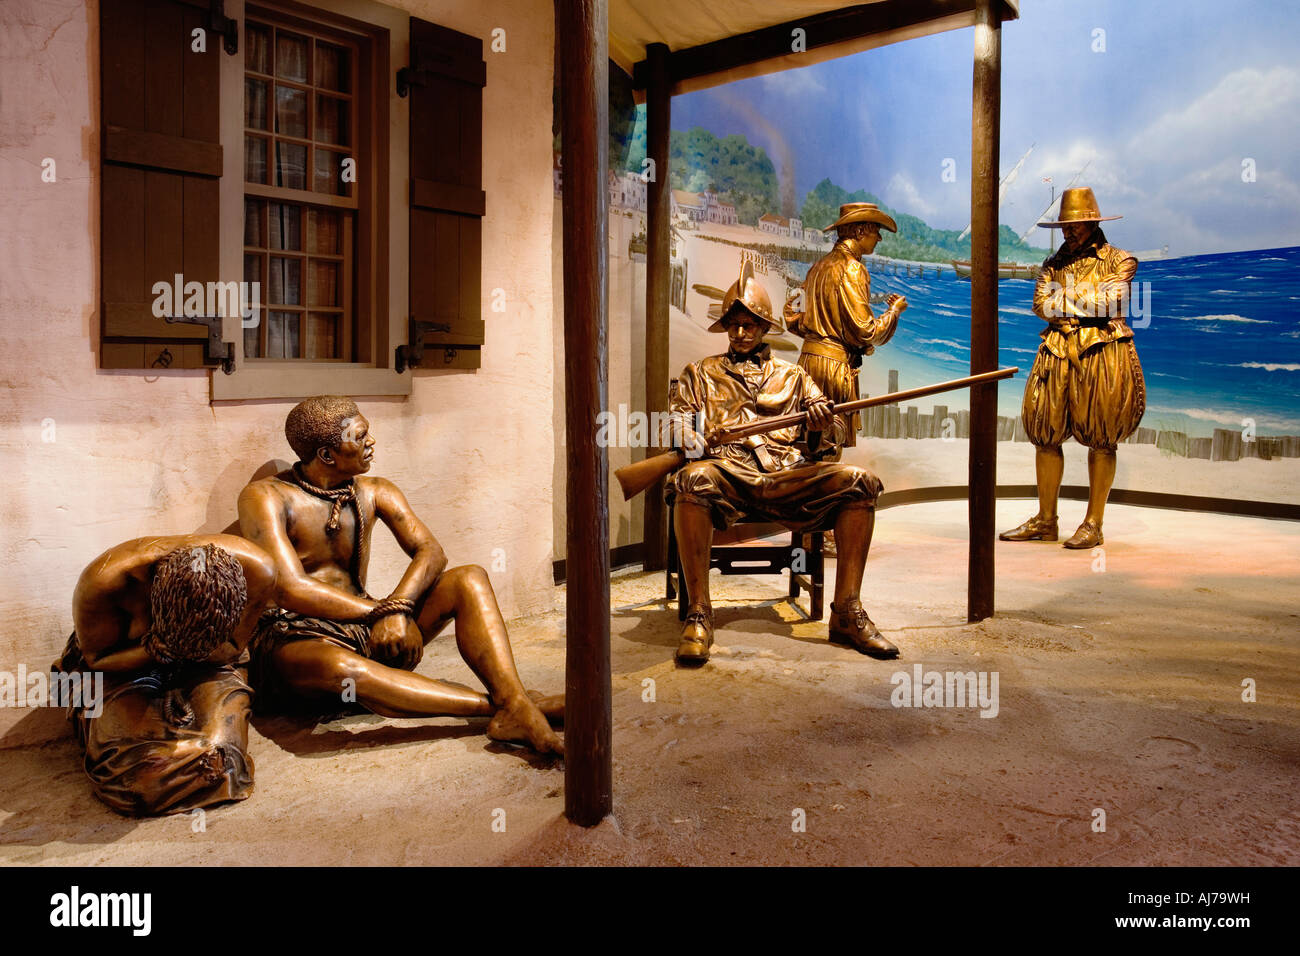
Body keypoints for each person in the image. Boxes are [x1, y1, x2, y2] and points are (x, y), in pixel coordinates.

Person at [237, 396, 563, 755]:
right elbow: (290, 588)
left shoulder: (376, 490)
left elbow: (431, 551)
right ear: (328, 455)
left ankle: (511, 698)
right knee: (340, 666)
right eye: (360, 437)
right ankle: (508, 707)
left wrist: (398, 608)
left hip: (370, 627)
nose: (371, 442)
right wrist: (381, 612)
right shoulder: (266, 496)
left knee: (469, 578)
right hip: (298, 639)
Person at [665, 261, 897, 665]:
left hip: (787, 476)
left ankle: (846, 612)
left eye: (749, 324)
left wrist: (820, 426)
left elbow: (833, 434)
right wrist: (697, 438)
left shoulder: (795, 377)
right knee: (690, 480)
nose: (740, 333)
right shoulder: (699, 373)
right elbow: (676, 423)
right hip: (727, 476)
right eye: (733, 325)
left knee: (861, 482)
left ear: (764, 327)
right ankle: (699, 612)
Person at [56, 535, 292, 815]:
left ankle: (193, 759)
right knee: (132, 779)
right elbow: (97, 659)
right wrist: (157, 648)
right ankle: (173, 765)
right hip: (120, 667)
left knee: (224, 755)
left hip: (212, 663)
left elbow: (232, 648)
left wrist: (199, 652)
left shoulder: (257, 570)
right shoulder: (105, 581)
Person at [1000, 187, 1146, 549]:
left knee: (1102, 435)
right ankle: (1046, 520)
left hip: (1102, 353)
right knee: (1044, 433)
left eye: (1075, 225)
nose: (1068, 232)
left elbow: (1110, 301)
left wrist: (1063, 299)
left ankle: (1093, 523)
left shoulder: (1120, 260)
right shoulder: (1052, 263)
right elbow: (1039, 305)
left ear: (1093, 222)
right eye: (1064, 226)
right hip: (1055, 350)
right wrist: (1076, 302)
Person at [784, 201, 908, 450]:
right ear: (860, 232)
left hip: (807, 364)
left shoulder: (818, 266)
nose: (879, 238)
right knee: (828, 442)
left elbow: (791, 316)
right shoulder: (853, 268)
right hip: (833, 368)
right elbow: (867, 331)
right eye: (875, 230)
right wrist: (893, 313)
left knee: (808, 444)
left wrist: (816, 335)